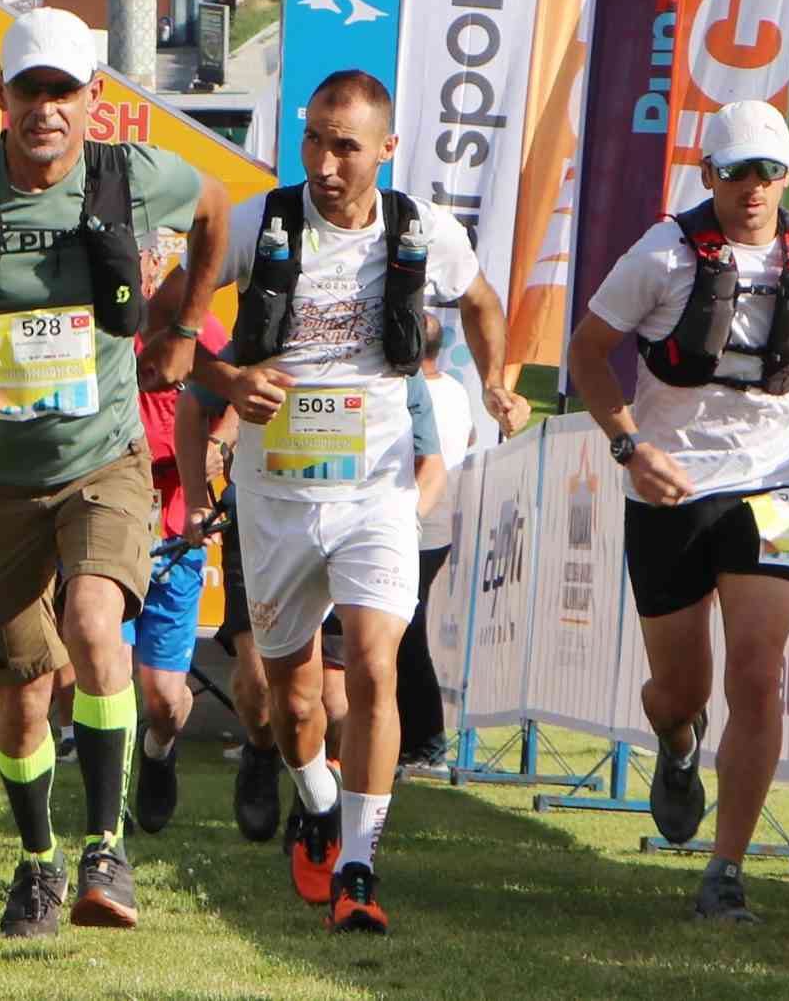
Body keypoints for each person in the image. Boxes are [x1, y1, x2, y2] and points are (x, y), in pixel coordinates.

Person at [0, 7, 229, 938]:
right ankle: (38, 865)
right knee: (20, 689)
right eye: (32, 91)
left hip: (104, 457)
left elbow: (217, 205)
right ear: (0, 99)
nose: (48, 109)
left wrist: (182, 327)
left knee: (94, 620)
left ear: (94, 99)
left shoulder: (131, 175)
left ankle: (106, 846)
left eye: (65, 91)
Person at [170, 68, 522, 936]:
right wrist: (230, 376)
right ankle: (319, 797)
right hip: (276, 494)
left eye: (346, 146)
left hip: (378, 489)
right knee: (292, 707)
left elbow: (481, 301)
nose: (325, 163)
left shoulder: (421, 230)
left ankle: (360, 868)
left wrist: (503, 385)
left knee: (371, 667)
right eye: (315, 140)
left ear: (387, 150)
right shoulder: (261, 223)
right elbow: (166, 335)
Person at [569, 99, 789, 924]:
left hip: (772, 485)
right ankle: (677, 748)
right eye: (738, 171)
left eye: (769, 172)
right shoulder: (662, 255)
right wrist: (631, 446)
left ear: (787, 178)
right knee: (679, 691)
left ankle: (727, 870)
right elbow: (586, 351)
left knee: (757, 667)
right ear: (709, 173)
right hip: (670, 488)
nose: (754, 188)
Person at [131, 270, 231, 835]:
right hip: (107, 519)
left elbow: (242, 385)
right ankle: (106, 819)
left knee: (166, 697)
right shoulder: (102, 326)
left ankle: (159, 748)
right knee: (107, 669)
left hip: (175, 531)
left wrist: (218, 443)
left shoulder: (202, 330)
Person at [399, 315, 471, 767]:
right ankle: (416, 739)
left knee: (406, 633)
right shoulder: (456, 392)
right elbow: (469, 437)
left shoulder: (419, 393)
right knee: (405, 631)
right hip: (435, 525)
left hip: (418, 525)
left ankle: (426, 741)